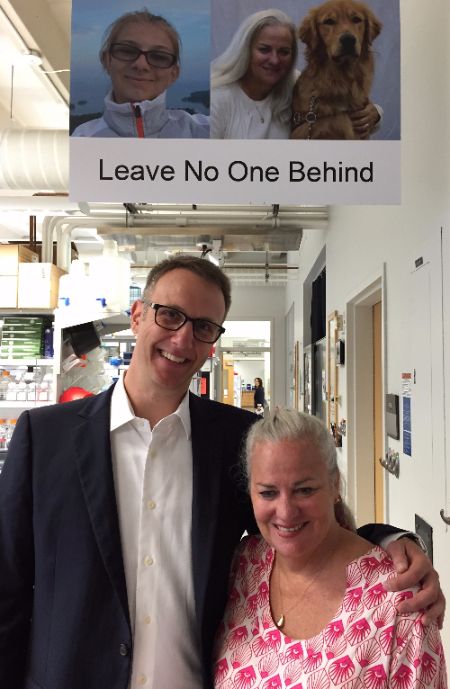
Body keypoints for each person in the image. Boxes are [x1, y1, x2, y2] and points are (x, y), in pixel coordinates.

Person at [0, 256, 444, 689]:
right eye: (169, 315)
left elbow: (297, 526)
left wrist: (391, 542)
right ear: (137, 315)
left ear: (213, 341)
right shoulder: (46, 438)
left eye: (203, 327)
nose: (182, 340)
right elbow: (9, 588)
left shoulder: (234, 439)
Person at [213, 409, 448, 689]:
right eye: (268, 492)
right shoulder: (244, 567)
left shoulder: (401, 602)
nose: (286, 512)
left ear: (335, 484)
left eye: (305, 490)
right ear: (249, 493)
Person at [210, 9, 381, 140]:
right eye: (264, 50)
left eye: (284, 52)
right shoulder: (219, 100)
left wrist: (375, 113)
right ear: (245, 50)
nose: (275, 60)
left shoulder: (295, 84)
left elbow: (339, 107)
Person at [72, 10, 209, 138]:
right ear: (107, 60)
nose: (141, 65)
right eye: (127, 51)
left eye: (159, 56)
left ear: (174, 73)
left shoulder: (205, 131)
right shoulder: (82, 139)